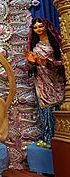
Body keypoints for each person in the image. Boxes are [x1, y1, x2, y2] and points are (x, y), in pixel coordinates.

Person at [25, 17, 65, 147]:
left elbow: (64, 62)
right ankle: (49, 139)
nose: (38, 29)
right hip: (41, 81)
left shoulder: (55, 44)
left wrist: (47, 63)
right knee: (45, 110)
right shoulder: (35, 46)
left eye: (40, 26)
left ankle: (62, 138)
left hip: (55, 80)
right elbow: (28, 68)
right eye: (35, 27)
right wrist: (31, 63)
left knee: (58, 108)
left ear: (46, 27)